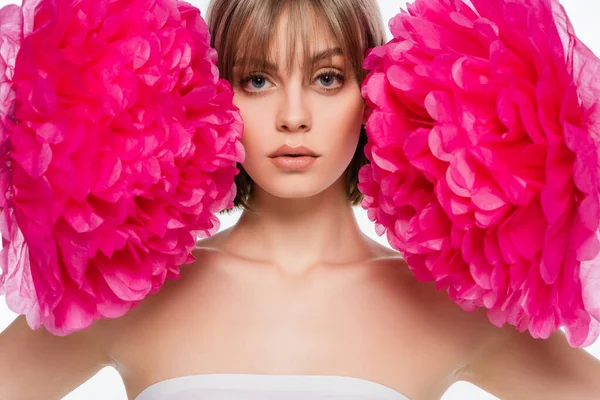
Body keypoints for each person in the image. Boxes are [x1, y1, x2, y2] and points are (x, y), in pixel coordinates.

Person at [1, 0, 600, 399]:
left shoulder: (451, 305)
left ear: (374, 90)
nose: (293, 117)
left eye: (327, 78)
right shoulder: (125, 291)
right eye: (257, 81)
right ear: (209, 92)